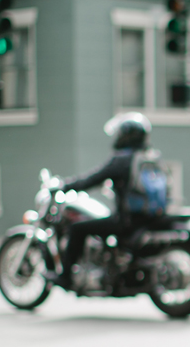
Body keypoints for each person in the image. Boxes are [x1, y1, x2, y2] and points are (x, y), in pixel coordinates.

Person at [54, 111, 163, 289]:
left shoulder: (122, 160)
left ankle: (66, 277)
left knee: (77, 228)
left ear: (126, 135)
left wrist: (66, 185)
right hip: (149, 217)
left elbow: (93, 179)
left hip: (127, 221)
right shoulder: (150, 157)